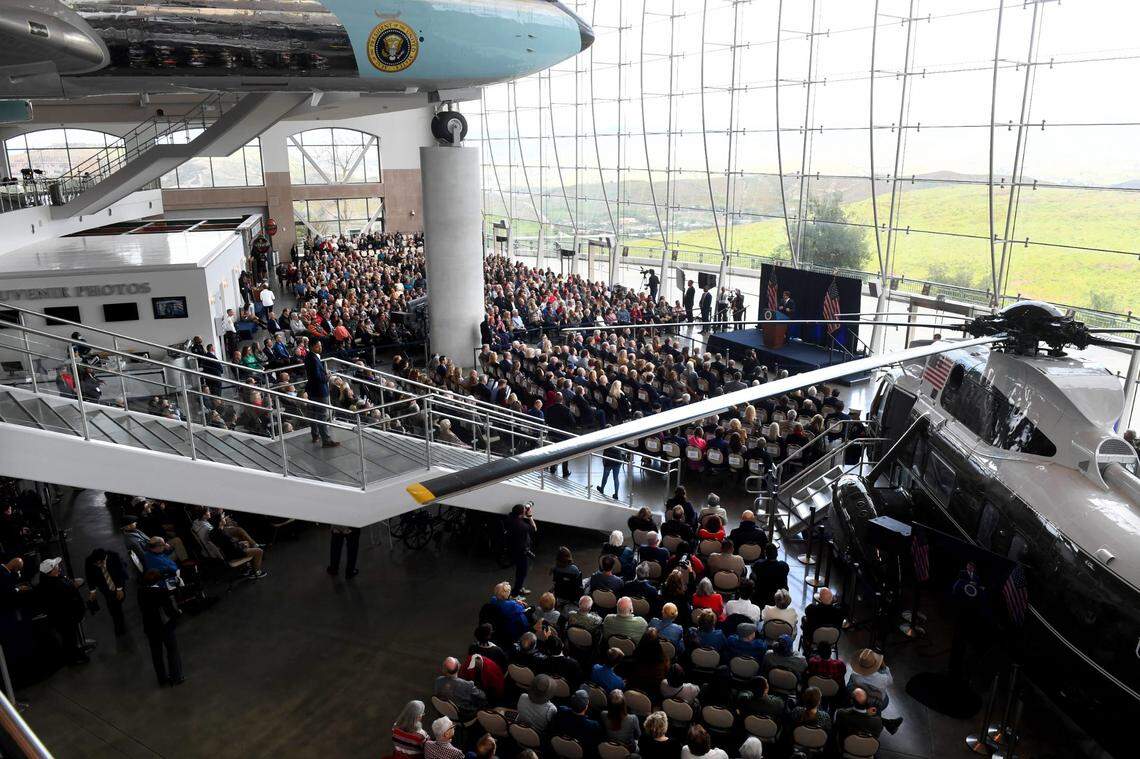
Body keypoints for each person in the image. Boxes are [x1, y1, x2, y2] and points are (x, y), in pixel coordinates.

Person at [37, 557, 88, 664]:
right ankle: (73, 659)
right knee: (69, 639)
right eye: (56, 566)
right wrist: (73, 586)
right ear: (51, 571)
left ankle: (74, 654)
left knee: (70, 638)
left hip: (66, 617)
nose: (59, 567)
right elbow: (64, 597)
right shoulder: (53, 585)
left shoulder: (52, 579)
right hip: (64, 619)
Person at [137, 569, 184, 686]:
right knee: (172, 650)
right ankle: (176, 677)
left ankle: (162, 679)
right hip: (164, 626)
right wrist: (178, 613)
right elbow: (169, 608)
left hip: (150, 627)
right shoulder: (161, 591)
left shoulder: (141, 591)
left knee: (156, 653)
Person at [84, 548, 127, 636]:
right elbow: (89, 576)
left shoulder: (114, 556)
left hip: (117, 583)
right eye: (95, 563)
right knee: (114, 608)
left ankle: (118, 620)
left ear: (104, 559)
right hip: (104, 587)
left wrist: (119, 589)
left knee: (118, 603)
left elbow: (121, 573)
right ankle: (119, 627)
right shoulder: (89, 561)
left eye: (99, 563)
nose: (97, 565)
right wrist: (92, 591)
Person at [304, 340, 339, 447]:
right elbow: (319, 378)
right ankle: (326, 440)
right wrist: (328, 375)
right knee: (322, 415)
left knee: (314, 414)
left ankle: (315, 435)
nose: (321, 347)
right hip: (319, 392)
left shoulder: (309, 356)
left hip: (312, 390)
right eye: (318, 346)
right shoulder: (314, 359)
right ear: (312, 347)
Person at [507, 503, 537, 597]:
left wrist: (523, 513)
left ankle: (519, 587)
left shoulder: (510, 518)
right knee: (522, 572)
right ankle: (516, 592)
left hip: (512, 548)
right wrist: (530, 516)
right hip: (521, 552)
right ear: (521, 514)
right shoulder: (522, 526)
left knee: (519, 570)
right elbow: (534, 528)